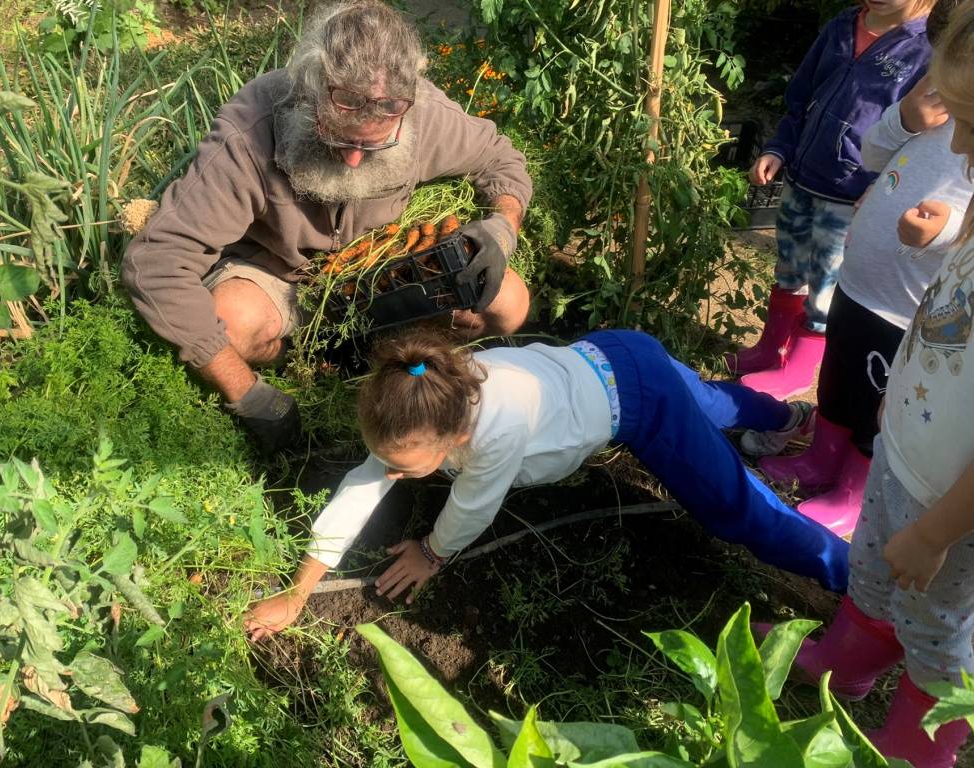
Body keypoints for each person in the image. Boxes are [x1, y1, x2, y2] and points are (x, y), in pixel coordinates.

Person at [244, 327, 849, 641]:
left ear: (454, 438)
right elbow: (361, 488)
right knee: (711, 402)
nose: (391, 473)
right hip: (615, 352)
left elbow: (472, 508)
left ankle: (855, 576)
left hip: (636, 403)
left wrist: (431, 553)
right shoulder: (431, 391)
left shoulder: (495, 432)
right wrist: (299, 592)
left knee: (733, 508)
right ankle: (785, 416)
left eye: (403, 465)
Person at [121, 1, 533, 455]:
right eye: (338, 138)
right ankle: (304, 361)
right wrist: (246, 393)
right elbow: (157, 260)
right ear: (309, 90)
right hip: (279, 270)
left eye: (373, 146)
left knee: (508, 304)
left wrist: (503, 227)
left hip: (377, 267)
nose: (354, 158)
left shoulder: (427, 117)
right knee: (233, 324)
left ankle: (394, 354)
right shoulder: (251, 130)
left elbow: (501, 160)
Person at [759, 8, 974, 762]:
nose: (955, 142)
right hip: (908, 447)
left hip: (955, 506)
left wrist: (941, 529)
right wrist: (911, 375)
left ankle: (920, 739)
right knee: (879, 571)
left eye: (972, 125)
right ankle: (847, 661)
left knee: (940, 621)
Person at [740, 0, 973, 539]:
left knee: (877, 396)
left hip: (903, 302)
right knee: (840, 376)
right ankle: (822, 458)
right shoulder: (936, 98)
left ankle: (852, 488)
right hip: (861, 285)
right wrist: (907, 118)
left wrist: (942, 230)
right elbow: (873, 152)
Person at [729, 0, 935, 400]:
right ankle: (771, 350)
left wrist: (885, 184)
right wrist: (779, 148)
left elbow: (921, 138)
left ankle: (797, 372)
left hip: (852, 196)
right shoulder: (842, 26)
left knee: (825, 286)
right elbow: (800, 98)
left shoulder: (924, 50)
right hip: (803, 178)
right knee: (789, 268)